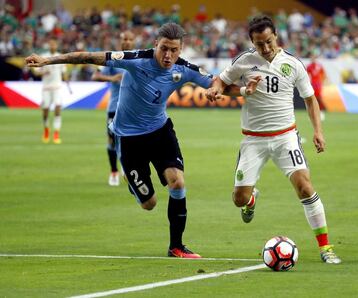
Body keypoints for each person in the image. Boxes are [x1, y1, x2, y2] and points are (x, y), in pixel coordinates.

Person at [26, 22, 259, 259]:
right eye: (164, 48)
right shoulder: (134, 59)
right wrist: (48, 60)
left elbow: (217, 83)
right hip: (128, 139)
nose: (168, 55)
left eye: (174, 50)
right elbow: (87, 57)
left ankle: (176, 246)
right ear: (155, 44)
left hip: (160, 132)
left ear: (181, 50)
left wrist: (243, 91)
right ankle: (132, 180)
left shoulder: (184, 68)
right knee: (149, 204)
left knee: (177, 183)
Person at [206, 16, 341, 264]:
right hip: (253, 141)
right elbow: (220, 82)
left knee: (305, 186)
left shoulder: (292, 64)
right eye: (259, 44)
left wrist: (318, 131)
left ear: (276, 36)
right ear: (252, 42)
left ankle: (326, 247)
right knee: (239, 199)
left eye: (269, 41)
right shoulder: (244, 62)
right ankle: (251, 198)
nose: (265, 48)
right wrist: (216, 90)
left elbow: (310, 99)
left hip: (286, 138)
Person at [91, 31, 135, 186]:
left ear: (134, 42)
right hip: (114, 108)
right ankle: (114, 172)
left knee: (131, 141)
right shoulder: (114, 58)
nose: (127, 42)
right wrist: (112, 78)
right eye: (125, 39)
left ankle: (127, 168)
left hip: (132, 110)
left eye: (130, 39)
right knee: (112, 141)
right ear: (120, 41)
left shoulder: (138, 59)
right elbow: (95, 76)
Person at [38, 38, 67, 144]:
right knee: (45, 110)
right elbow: (37, 72)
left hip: (57, 87)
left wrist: (66, 80)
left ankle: (56, 133)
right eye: (50, 44)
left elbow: (63, 72)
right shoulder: (43, 57)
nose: (52, 46)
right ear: (48, 45)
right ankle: (46, 129)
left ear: (56, 45)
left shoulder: (60, 57)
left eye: (54, 44)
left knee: (58, 107)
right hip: (46, 87)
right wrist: (43, 72)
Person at [306, 54, 327, 121]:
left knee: (319, 98)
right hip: (312, 84)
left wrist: (323, 82)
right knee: (312, 99)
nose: (312, 59)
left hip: (318, 84)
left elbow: (324, 75)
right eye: (311, 58)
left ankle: (321, 112)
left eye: (314, 58)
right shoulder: (309, 66)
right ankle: (313, 114)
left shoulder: (319, 66)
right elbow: (306, 75)